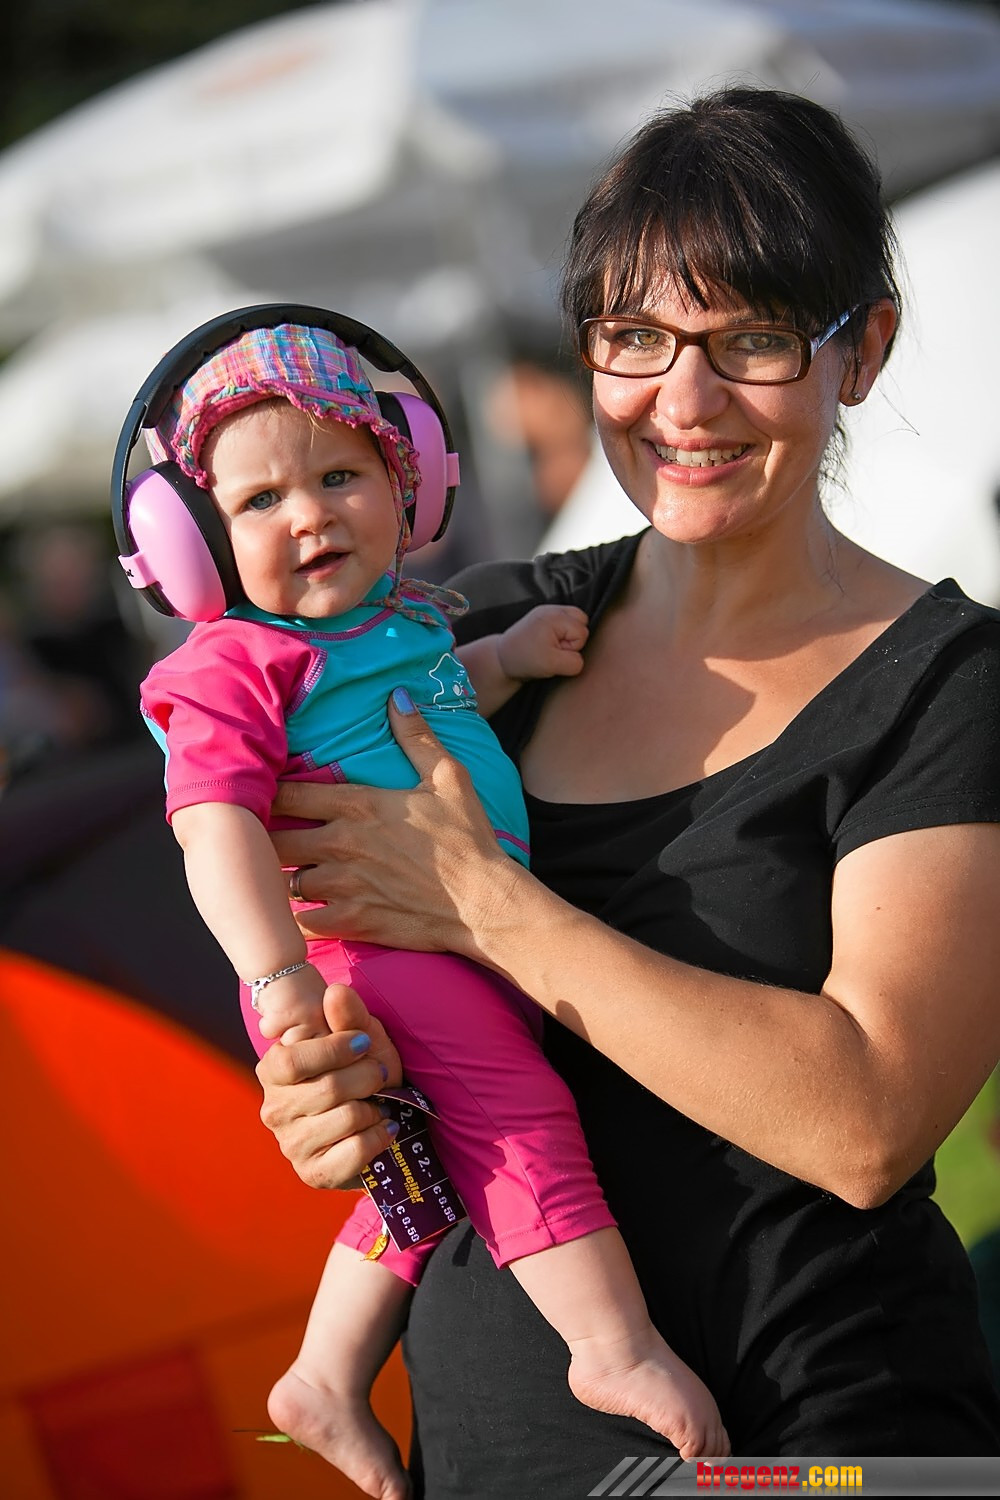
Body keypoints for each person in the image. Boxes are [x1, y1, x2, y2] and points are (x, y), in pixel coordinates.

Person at [251, 86, 1000, 1492]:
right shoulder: (477, 639)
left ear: (864, 350)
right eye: (635, 338)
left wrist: (488, 906)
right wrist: (328, 1104)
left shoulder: (949, 682)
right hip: (493, 1455)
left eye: (755, 340)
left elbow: (867, 1121)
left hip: (822, 1443)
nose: (686, 402)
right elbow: (362, 992)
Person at [136, 322, 729, 1499]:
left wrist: (505, 655)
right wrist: (278, 977)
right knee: (516, 1115)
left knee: (431, 1162)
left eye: (339, 476)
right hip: (359, 951)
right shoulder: (233, 662)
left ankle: (321, 1376)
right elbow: (213, 826)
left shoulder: (404, 620)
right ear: (191, 548)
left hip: (438, 939)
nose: (309, 516)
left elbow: (443, 696)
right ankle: (610, 1348)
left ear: (408, 482)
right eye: (260, 501)